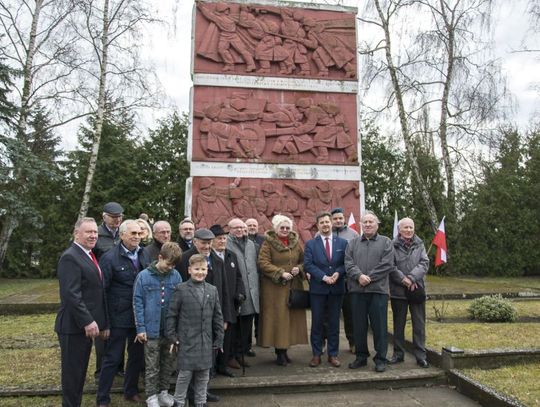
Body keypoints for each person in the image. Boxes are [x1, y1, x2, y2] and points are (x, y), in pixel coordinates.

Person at [55, 217, 109, 407]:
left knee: (79, 375)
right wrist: (87, 321)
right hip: (73, 327)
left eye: (95, 232)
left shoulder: (89, 254)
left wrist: (102, 323)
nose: (94, 235)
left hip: (83, 328)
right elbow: (71, 294)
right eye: (89, 232)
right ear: (76, 233)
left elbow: (95, 293)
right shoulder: (70, 257)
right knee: (72, 377)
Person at [96, 219, 150, 407]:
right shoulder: (109, 258)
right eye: (133, 233)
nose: (137, 237)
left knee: (136, 357)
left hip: (138, 317)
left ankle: (131, 391)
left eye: (139, 233)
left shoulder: (144, 254)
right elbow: (102, 291)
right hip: (118, 317)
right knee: (112, 358)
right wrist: (105, 323)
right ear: (122, 235)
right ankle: (103, 398)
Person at [176, 228, 227, 403]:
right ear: (195, 242)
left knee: (207, 361)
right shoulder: (184, 259)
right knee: (189, 366)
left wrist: (224, 317)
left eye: (209, 243)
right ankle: (188, 395)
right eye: (204, 243)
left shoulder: (216, 259)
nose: (207, 246)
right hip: (190, 319)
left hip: (211, 314)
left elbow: (223, 287)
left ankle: (202, 393)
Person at [166, 254, 225, 407]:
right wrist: (172, 336)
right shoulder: (181, 289)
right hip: (186, 340)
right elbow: (172, 315)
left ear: (207, 270)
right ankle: (178, 402)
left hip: (206, 341)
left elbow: (217, 317)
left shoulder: (212, 290)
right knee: (185, 374)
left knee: (203, 375)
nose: (200, 272)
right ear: (189, 270)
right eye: (197, 269)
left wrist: (219, 338)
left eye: (203, 269)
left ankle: (200, 402)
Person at [133, 242, 182, 407]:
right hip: (151, 330)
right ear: (160, 258)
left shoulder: (176, 276)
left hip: (169, 331)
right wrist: (140, 328)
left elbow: (179, 304)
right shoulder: (143, 276)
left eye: (174, 265)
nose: (171, 268)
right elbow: (137, 303)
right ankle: (151, 396)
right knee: (152, 366)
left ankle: (164, 392)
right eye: (168, 264)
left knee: (168, 363)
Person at [345, 211, 394, 373]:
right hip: (357, 291)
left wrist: (369, 278)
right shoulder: (352, 243)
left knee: (379, 326)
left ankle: (381, 359)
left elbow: (387, 264)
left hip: (378, 291)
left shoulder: (386, 242)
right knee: (359, 326)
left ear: (377, 224)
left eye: (371, 222)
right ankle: (361, 356)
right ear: (360, 225)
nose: (367, 225)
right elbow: (348, 263)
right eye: (364, 222)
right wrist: (359, 276)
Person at [258, 214, 308, 366]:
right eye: (282, 227)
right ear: (275, 228)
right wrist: (280, 272)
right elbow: (263, 262)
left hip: (293, 287)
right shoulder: (268, 243)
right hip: (275, 289)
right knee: (278, 320)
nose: (285, 230)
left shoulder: (295, 242)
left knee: (290, 320)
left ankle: (285, 350)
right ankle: (279, 352)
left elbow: (303, 260)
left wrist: (298, 269)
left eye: (287, 227)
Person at [304, 211, 347, 368]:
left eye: (327, 222)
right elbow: (308, 264)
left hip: (336, 289)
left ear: (331, 223)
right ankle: (316, 354)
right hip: (318, 289)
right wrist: (323, 277)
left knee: (334, 323)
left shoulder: (342, 243)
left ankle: (333, 354)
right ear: (317, 225)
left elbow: (346, 263)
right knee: (317, 323)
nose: (325, 225)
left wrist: (337, 273)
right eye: (321, 222)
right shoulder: (310, 244)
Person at [389, 217, 430, 368]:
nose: (408, 230)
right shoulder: (391, 245)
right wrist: (403, 279)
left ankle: (420, 355)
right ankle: (398, 354)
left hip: (416, 290)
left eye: (411, 227)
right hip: (398, 291)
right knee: (398, 325)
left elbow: (424, 263)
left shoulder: (420, 244)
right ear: (399, 230)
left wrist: (411, 278)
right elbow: (390, 266)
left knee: (419, 325)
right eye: (405, 227)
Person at [210, 224, 246, 377]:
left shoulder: (231, 255)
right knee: (214, 335)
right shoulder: (209, 257)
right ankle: (211, 367)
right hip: (213, 303)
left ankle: (223, 365)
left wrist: (240, 293)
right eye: (219, 239)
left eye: (224, 238)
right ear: (211, 241)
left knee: (228, 335)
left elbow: (239, 277)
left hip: (230, 303)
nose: (222, 241)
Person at [226, 218, 260, 366]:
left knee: (246, 325)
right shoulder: (226, 243)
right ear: (230, 229)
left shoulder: (252, 245)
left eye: (242, 228)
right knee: (234, 327)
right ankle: (231, 355)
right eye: (236, 228)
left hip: (251, 291)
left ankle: (241, 353)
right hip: (235, 290)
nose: (239, 230)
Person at [330, 207, 358, 353]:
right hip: (329, 282)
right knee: (328, 315)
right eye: (335, 218)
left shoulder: (353, 234)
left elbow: (357, 257)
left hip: (348, 281)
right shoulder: (322, 233)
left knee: (350, 314)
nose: (338, 221)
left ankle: (353, 342)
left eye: (340, 218)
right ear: (331, 220)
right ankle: (326, 344)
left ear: (344, 218)